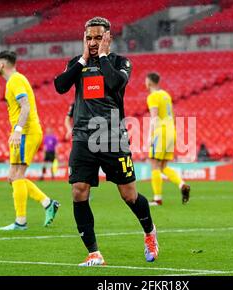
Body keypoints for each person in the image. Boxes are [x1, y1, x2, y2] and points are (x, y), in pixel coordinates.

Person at [54, 17, 158, 266]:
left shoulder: (121, 62)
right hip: (82, 136)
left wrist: (101, 56)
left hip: (112, 136)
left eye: (98, 37)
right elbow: (60, 86)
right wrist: (82, 60)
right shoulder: (77, 64)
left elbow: (115, 83)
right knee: (79, 191)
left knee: (129, 195)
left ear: (108, 38)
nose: (92, 42)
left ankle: (150, 233)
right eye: (89, 37)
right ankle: (94, 253)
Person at [0, 50, 60, 230]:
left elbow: (25, 106)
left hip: (26, 132)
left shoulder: (15, 80)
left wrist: (17, 130)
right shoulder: (13, 81)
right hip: (20, 133)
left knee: (17, 176)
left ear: (2, 64)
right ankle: (47, 203)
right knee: (13, 177)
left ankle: (21, 221)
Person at [145, 72, 190, 206]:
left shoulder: (153, 96)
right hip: (171, 131)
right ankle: (182, 184)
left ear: (149, 82)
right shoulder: (166, 95)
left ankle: (157, 198)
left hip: (160, 132)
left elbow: (154, 117)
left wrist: (149, 136)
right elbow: (172, 116)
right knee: (163, 166)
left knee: (154, 164)